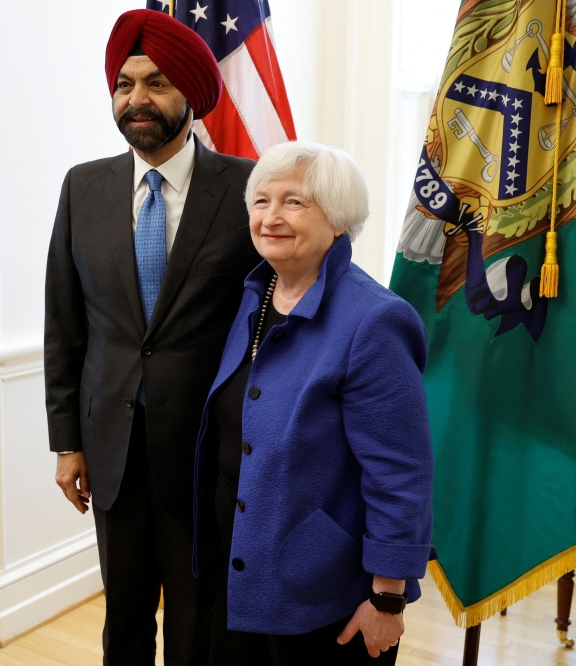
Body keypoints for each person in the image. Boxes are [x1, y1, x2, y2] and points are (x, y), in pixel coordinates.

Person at [44, 9, 259, 666]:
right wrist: (67, 444)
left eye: (157, 83)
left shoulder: (249, 188)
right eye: (124, 84)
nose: (136, 98)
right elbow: (64, 325)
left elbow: (269, 324)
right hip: (112, 449)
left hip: (206, 453)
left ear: (192, 94)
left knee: (198, 625)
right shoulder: (83, 187)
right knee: (124, 617)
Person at [193, 142, 435, 665]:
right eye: (261, 201)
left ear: (339, 220)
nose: (271, 217)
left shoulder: (375, 320)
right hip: (238, 561)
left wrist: (387, 598)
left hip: (322, 588)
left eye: (294, 202)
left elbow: (400, 474)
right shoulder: (254, 296)